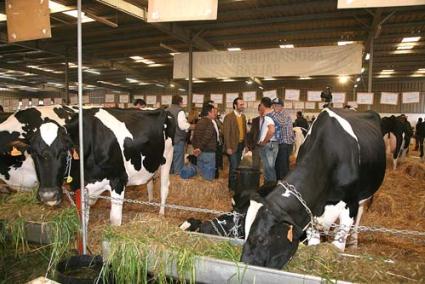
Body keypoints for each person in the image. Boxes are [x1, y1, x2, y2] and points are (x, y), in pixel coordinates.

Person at [223, 97, 247, 191]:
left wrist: (245, 145)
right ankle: (232, 188)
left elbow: (244, 131)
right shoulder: (229, 117)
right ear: (235, 105)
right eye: (241, 104)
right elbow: (226, 133)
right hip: (232, 146)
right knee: (234, 166)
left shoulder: (243, 117)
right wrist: (228, 147)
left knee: (237, 166)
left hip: (241, 145)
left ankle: (233, 185)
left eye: (243, 104)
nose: (242, 106)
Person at [166, 95, 193, 175]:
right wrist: (191, 126)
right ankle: (176, 180)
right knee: (178, 162)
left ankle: (169, 181)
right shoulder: (180, 111)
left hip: (168, 140)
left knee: (169, 163)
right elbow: (182, 125)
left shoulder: (166, 110)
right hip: (178, 140)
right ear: (180, 102)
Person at [270, 98, 294, 180]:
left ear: (282, 106)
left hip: (285, 144)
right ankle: (278, 183)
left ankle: (284, 185)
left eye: (277, 105)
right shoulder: (276, 114)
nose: (275, 107)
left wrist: (272, 113)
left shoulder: (285, 114)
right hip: (279, 143)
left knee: (283, 167)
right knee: (278, 165)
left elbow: (282, 123)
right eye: (274, 105)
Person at [192, 104, 218, 180]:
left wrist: (196, 148)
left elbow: (194, 138)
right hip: (208, 153)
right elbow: (207, 137)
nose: (215, 113)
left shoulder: (199, 122)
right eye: (213, 112)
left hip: (199, 154)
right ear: (208, 112)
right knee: (208, 179)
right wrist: (200, 148)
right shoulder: (209, 123)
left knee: (200, 178)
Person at [257, 97, 278, 184]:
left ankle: (271, 189)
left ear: (262, 105)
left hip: (269, 144)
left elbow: (272, 130)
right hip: (271, 144)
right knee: (268, 168)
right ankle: (268, 187)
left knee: (269, 168)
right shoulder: (273, 114)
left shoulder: (269, 116)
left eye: (260, 105)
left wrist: (264, 141)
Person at [246, 104, 262, 170]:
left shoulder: (270, 120)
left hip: (268, 147)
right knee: (255, 166)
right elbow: (251, 133)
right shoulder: (255, 120)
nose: (262, 111)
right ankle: (255, 179)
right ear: (258, 110)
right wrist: (249, 145)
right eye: (260, 109)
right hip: (256, 146)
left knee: (268, 167)